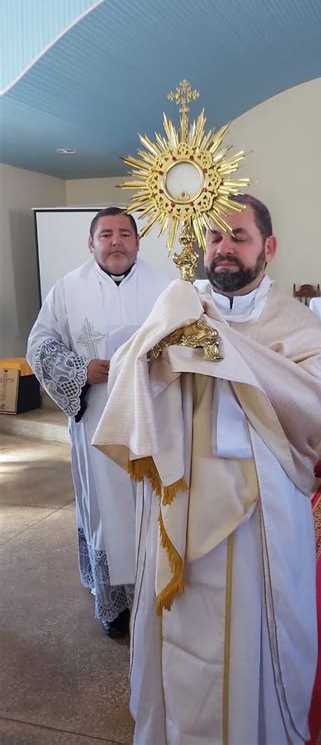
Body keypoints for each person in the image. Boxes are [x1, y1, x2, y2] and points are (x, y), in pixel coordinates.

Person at [93, 194, 321, 744]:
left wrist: (225, 356)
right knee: (184, 627)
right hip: (181, 502)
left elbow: (320, 406)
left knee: (252, 630)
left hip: (260, 513)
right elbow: (132, 386)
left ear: (268, 248)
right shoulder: (176, 306)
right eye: (214, 237)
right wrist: (166, 356)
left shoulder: (295, 324)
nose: (224, 249)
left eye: (239, 236)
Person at [27, 207, 170, 636]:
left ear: (138, 242)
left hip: (155, 419)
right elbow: (39, 344)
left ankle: (158, 594)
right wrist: (78, 369)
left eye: (125, 233)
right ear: (91, 244)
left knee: (154, 506)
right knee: (107, 511)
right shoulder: (67, 290)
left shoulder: (167, 287)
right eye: (105, 234)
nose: (116, 241)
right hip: (96, 418)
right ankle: (114, 605)